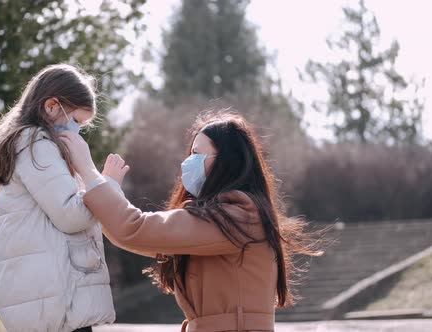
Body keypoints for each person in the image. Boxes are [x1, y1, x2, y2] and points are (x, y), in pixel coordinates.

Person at [59, 112, 321, 332]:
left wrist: (89, 171)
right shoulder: (227, 215)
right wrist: (108, 188)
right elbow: (131, 233)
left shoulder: (238, 215)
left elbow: (134, 229)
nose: (188, 162)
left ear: (227, 163)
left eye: (197, 154)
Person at [0, 64, 125, 332]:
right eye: (76, 121)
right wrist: (107, 183)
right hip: (56, 303)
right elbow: (71, 215)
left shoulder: (30, 145)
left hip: (47, 300)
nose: (77, 130)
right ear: (52, 106)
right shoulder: (35, 145)